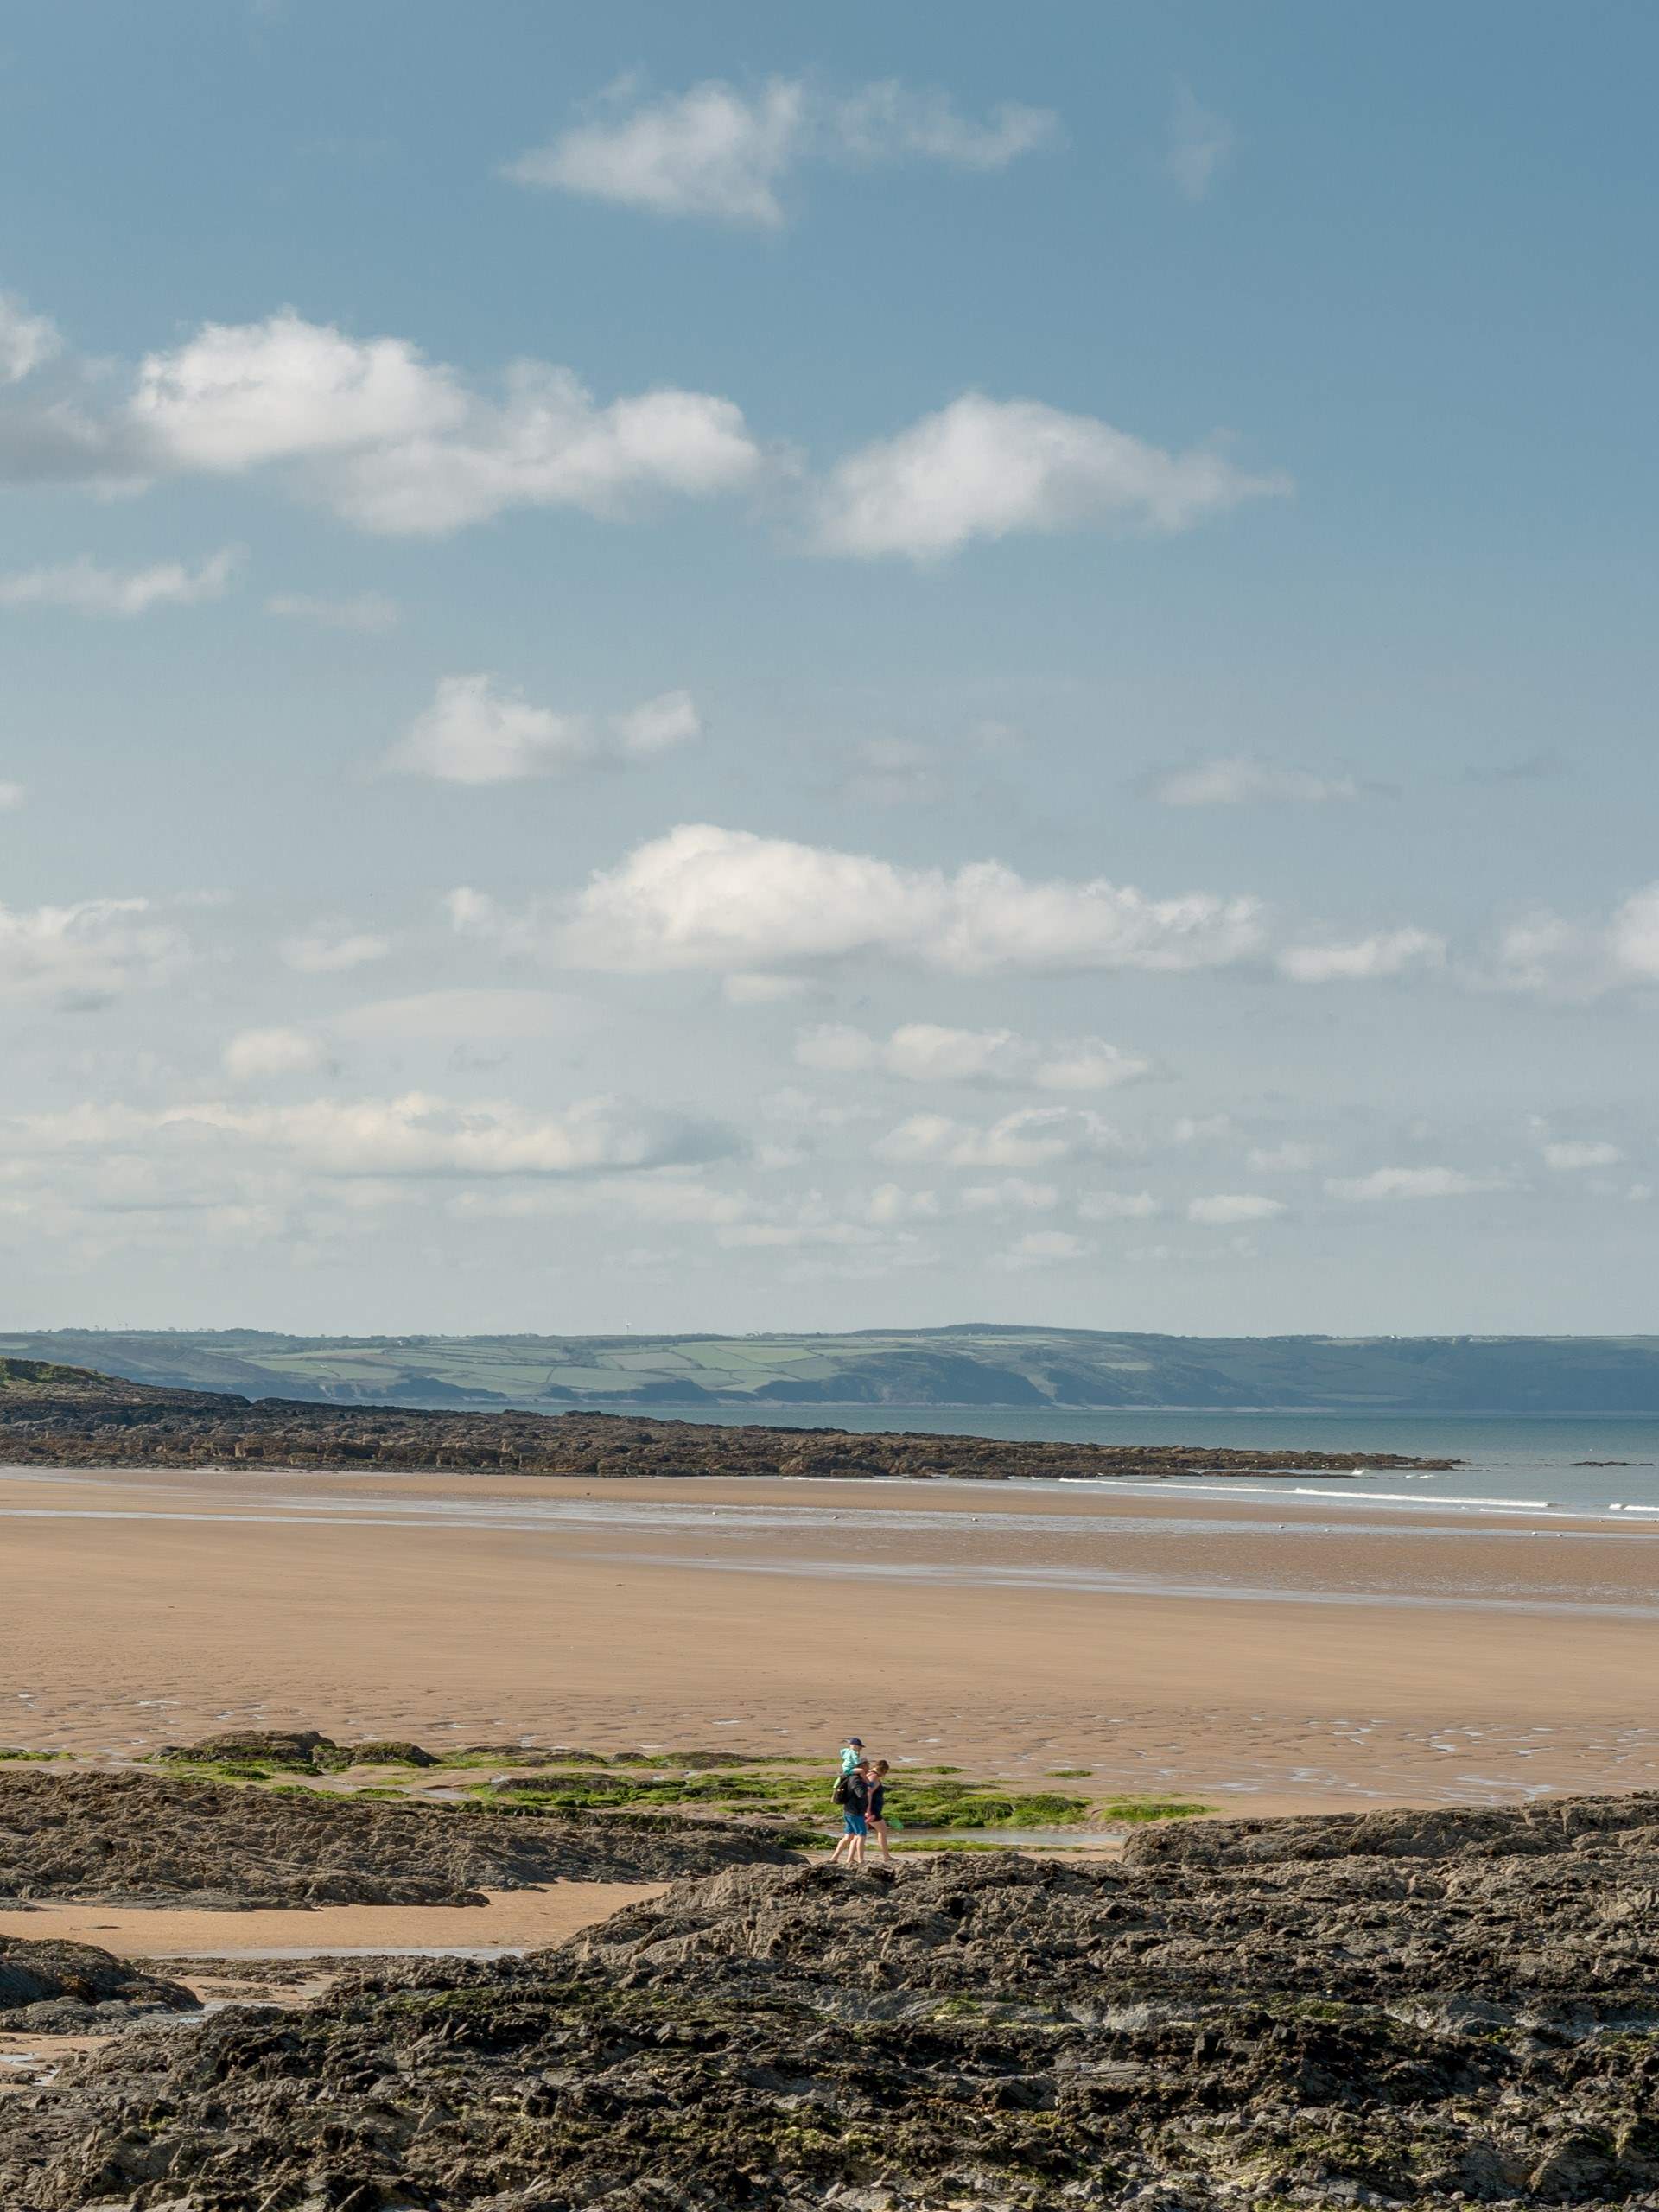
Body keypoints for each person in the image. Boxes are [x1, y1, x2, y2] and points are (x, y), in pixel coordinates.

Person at [830, 1758, 871, 1866]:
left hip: (849, 1811)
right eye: (867, 1766)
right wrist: (867, 1788)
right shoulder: (855, 1779)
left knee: (848, 1837)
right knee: (862, 1834)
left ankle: (834, 1858)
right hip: (855, 1811)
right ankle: (861, 1860)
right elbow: (860, 1794)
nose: (869, 1768)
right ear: (862, 1766)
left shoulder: (851, 1777)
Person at [865, 1758, 893, 1864]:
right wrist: (868, 1811)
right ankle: (886, 1856)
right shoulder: (874, 1777)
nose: (884, 1775)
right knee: (882, 1830)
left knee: (858, 1834)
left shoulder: (869, 1774)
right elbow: (868, 1793)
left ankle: (853, 1857)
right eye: (885, 1772)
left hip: (869, 1809)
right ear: (883, 1770)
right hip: (872, 1810)